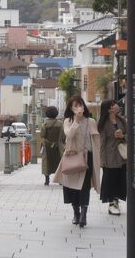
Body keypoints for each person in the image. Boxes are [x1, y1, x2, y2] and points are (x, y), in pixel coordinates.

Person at [52, 95, 101, 228]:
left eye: (80, 105)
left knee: (84, 187)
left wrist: (96, 156)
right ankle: (76, 213)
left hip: (87, 158)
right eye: (75, 106)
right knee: (71, 187)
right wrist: (77, 121)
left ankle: (83, 214)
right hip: (72, 157)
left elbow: (95, 141)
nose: (78, 108)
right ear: (71, 108)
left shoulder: (91, 121)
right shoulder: (68, 121)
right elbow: (69, 135)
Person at [98, 99, 127, 216]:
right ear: (110, 108)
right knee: (109, 180)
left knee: (120, 179)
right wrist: (102, 160)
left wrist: (123, 136)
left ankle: (116, 202)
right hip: (109, 156)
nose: (117, 106)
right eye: (114, 104)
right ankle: (111, 204)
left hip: (122, 155)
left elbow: (131, 135)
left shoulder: (121, 120)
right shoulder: (103, 124)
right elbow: (101, 143)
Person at [41, 106, 64, 186]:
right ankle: (60, 180)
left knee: (46, 162)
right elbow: (62, 136)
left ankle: (47, 180)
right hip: (58, 145)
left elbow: (42, 135)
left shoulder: (45, 124)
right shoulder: (60, 123)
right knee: (59, 162)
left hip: (47, 145)